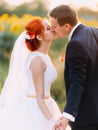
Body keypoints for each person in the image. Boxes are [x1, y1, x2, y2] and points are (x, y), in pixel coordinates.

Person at [0, 17, 68, 130]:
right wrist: (52, 121)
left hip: (47, 104)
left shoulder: (44, 57)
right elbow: (39, 97)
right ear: (39, 36)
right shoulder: (36, 60)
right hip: (35, 109)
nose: (52, 29)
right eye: (48, 28)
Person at [48, 4, 98, 130]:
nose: (53, 30)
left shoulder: (75, 44)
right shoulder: (93, 31)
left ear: (66, 27)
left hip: (87, 116)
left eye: (54, 27)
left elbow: (77, 83)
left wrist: (67, 116)